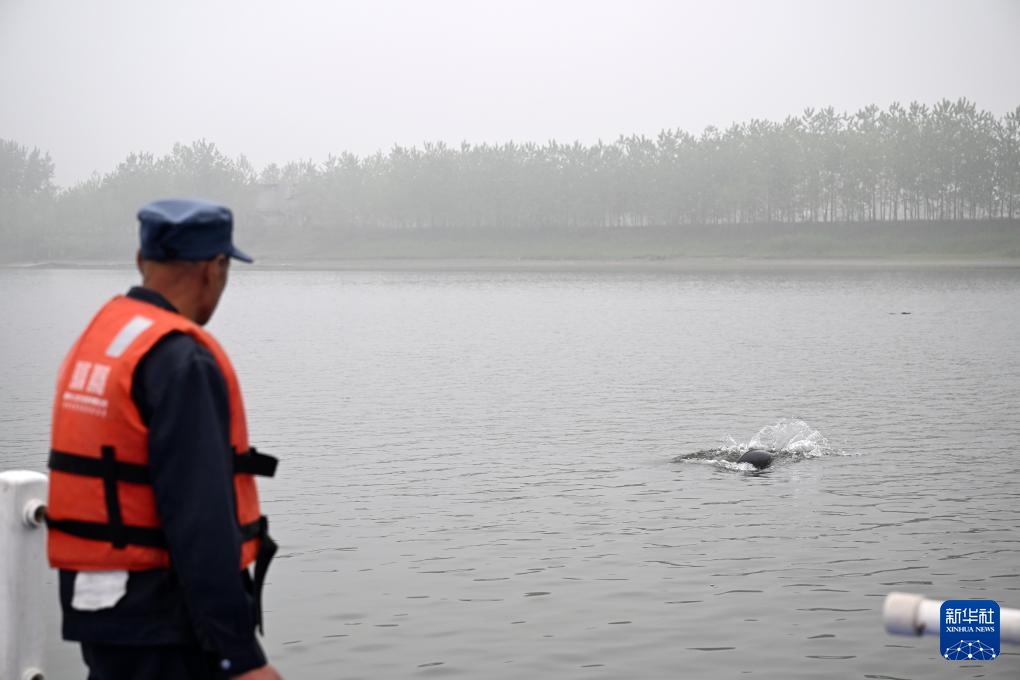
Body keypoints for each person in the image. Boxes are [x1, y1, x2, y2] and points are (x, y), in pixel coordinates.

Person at [45, 198, 282, 679]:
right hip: (165, 622)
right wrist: (240, 656)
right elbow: (201, 520)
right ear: (214, 269)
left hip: (99, 611)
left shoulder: (106, 342)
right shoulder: (180, 361)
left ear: (140, 260)